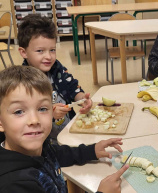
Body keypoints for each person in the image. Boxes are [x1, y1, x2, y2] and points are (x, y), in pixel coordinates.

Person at [0, 65, 129, 193]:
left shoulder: (38, 145)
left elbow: (55, 154)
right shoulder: (15, 185)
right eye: (18, 112)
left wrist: (91, 151)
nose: (34, 120)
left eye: (42, 109)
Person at [17, 14, 93, 143]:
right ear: (24, 52)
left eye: (52, 50)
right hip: (46, 143)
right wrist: (49, 114)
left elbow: (73, 87)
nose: (49, 56)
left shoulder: (58, 68)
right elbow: (24, 119)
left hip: (69, 132)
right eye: (40, 51)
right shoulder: (23, 82)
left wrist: (81, 99)